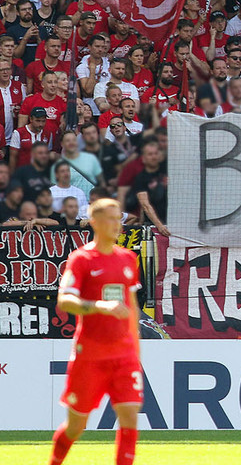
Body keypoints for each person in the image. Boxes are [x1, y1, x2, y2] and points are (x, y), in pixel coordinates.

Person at [49, 197, 141, 465]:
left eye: (119, 218)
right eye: (111, 218)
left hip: (123, 355)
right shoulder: (81, 259)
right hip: (90, 354)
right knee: (77, 425)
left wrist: (136, 351)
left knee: (130, 417)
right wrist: (100, 306)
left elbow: (132, 307)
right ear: (95, 222)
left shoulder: (128, 259)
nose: (117, 224)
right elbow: (65, 301)